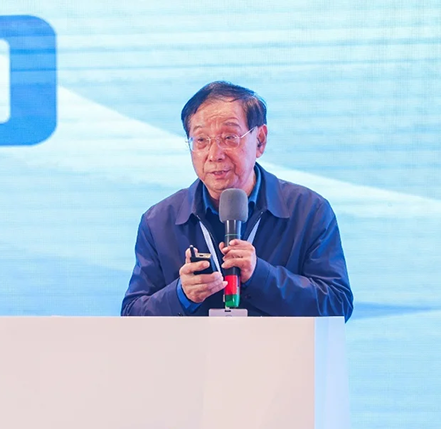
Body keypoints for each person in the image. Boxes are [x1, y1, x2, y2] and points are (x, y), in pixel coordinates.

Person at [121, 81, 353, 318]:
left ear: (260, 140)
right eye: (201, 140)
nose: (214, 155)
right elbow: (131, 315)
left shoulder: (309, 211)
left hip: (274, 344)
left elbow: (337, 305)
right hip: (194, 344)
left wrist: (261, 275)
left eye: (229, 137)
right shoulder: (158, 221)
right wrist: (180, 295)